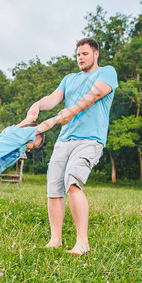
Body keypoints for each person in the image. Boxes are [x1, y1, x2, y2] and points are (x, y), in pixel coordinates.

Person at [26, 37, 118, 256]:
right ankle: (55, 240)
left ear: (96, 54)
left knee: (72, 182)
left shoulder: (106, 72)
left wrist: (72, 111)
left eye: (85, 54)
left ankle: (82, 243)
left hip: (90, 140)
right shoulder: (69, 79)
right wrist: (37, 105)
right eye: (78, 54)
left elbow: (95, 95)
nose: (80, 58)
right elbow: (53, 98)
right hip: (64, 141)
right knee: (53, 190)